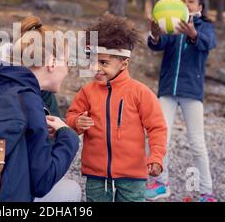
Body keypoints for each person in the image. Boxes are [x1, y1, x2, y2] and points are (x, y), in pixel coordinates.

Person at [0, 15, 80, 201]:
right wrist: (68, 136)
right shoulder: (30, 102)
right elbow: (42, 182)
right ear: (52, 63)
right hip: (2, 197)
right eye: (67, 63)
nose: (68, 70)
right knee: (72, 190)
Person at [66, 14, 167, 202]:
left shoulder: (140, 92)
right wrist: (77, 122)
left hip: (133, 176)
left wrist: (156, 156)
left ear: (124, 63)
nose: (96, 68)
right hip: (96, 175)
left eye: (103, 62)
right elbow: (70, 118)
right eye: (93, 62)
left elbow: (157, 127)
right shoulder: (87, 92)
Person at [145, 0, 217, 202]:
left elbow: (208, 43)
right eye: (182, 1)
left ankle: (206, 192)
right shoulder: (171, 27)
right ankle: (160, 183)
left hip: (192, 92)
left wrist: (193, 34)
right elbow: (156, 45)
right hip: (167, 91)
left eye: (191, 1)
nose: (186, 4)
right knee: (159, 137)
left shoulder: (205, 28)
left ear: (200, 8)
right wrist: (155, 34)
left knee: (197, 143)